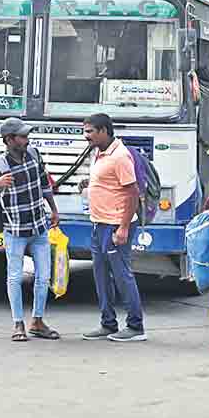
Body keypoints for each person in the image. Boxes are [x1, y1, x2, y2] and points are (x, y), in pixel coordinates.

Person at [0, 117, 61, 342]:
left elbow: (44, 185)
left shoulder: (34, 154)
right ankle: (18, 324)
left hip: (39, 227)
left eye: (26, 135)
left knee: (44, 277)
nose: (26, 139)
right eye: (22, 136)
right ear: (9, 140)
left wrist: (53, 210)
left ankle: (38, 321)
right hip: (14, 230)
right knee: (14, 277)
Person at [80, 113, 146, 342]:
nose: (85, 136)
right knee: (101, 276)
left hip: (115, 224)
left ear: (104, 131)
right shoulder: (99, 153)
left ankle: (135, 326)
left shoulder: (120, 156)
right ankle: (108, 324)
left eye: (90, 131)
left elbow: (132, 193)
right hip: (99, 224)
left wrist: (123, 228)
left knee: (121, 275)